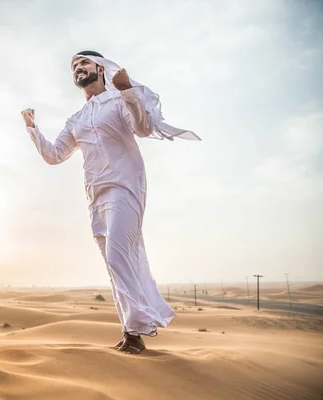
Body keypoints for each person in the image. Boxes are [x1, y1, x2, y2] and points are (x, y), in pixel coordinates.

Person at [21, 50, 200, 354]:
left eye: (84, 62)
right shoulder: (75, 119)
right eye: (74, 65)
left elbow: (142, 129)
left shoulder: (119, 100)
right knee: (113, 264)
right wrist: (32, 129)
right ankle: (130, 329)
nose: (79, 67)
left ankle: (136, 332)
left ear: (101, 68)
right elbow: (54, 156)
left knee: (119, 257)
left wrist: (128, 89)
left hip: (125, 186)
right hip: (96, 195)